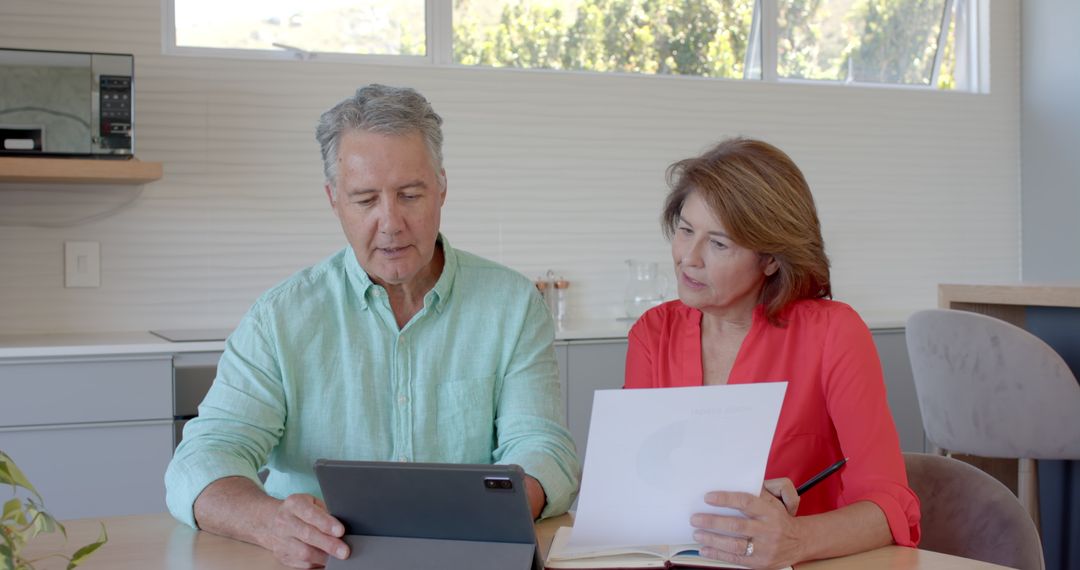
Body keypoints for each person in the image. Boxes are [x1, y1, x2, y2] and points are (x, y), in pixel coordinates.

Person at [165, 84, 580, 569]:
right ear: (333, 200)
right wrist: (270, 521)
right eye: (365, 200)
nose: (390, 222)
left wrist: (489, 512)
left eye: (410, 194)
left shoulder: (511, 304)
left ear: (442, 187)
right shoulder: (280, 317)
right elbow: (204, 457)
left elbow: (542, 447)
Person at [624, 138, 920, 568]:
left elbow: (890, 506)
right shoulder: (652, 334)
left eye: (719, 244)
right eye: (686, 230)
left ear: (771, 261)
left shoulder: (834, 333)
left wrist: (794, 538)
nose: (688, 258)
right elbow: (637, 487)